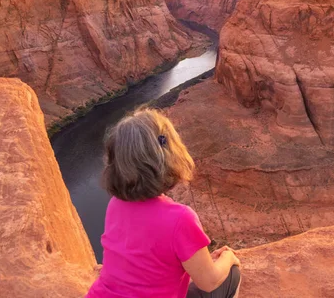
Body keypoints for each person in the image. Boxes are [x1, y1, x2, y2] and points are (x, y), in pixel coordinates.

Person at [87, 109, 241, 298]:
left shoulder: (115, 204)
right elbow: (208, 282)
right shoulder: (180, 219)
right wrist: (227, 257)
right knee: (232, 274)